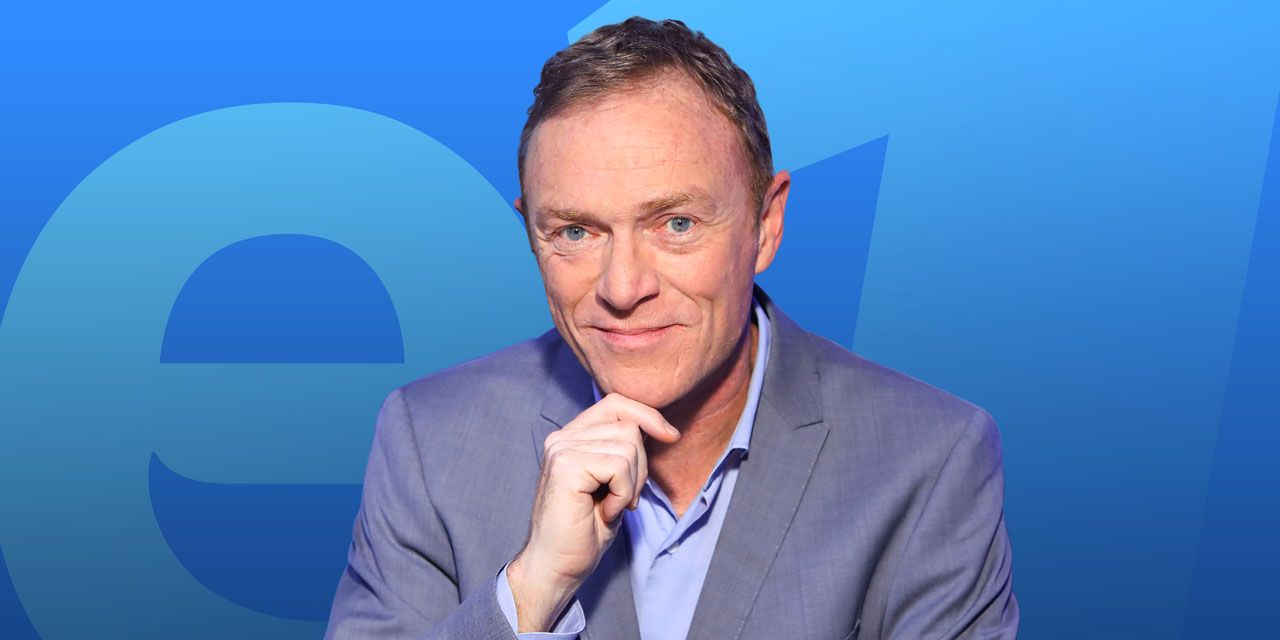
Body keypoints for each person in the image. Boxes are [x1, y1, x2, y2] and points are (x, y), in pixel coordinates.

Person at [325, 16, 1018, 640]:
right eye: (575, 231)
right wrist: (531, 593)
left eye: (676, 224)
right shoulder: (431, 443)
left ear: (766, 223)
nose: (623, 288)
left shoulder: (930, 459)